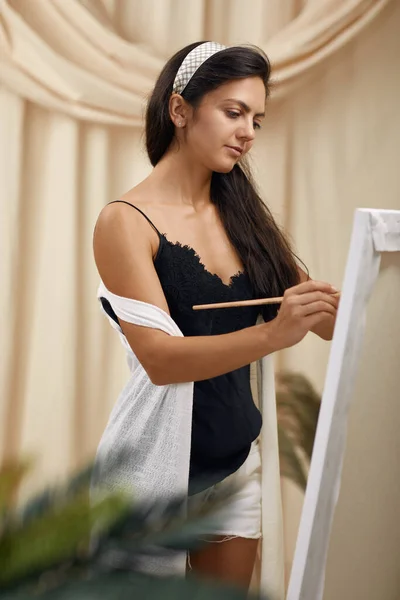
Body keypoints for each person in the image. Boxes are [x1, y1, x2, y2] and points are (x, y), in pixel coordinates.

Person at [92, 41, 339, 591]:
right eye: (233, 113)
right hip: (151, 470)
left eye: (256, 118)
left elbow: (328, 320)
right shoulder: (124, 222)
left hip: (234, 466)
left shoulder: (247, 222)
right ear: (180, 110)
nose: (248, 130)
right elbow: (160, 360)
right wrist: (275, 333)